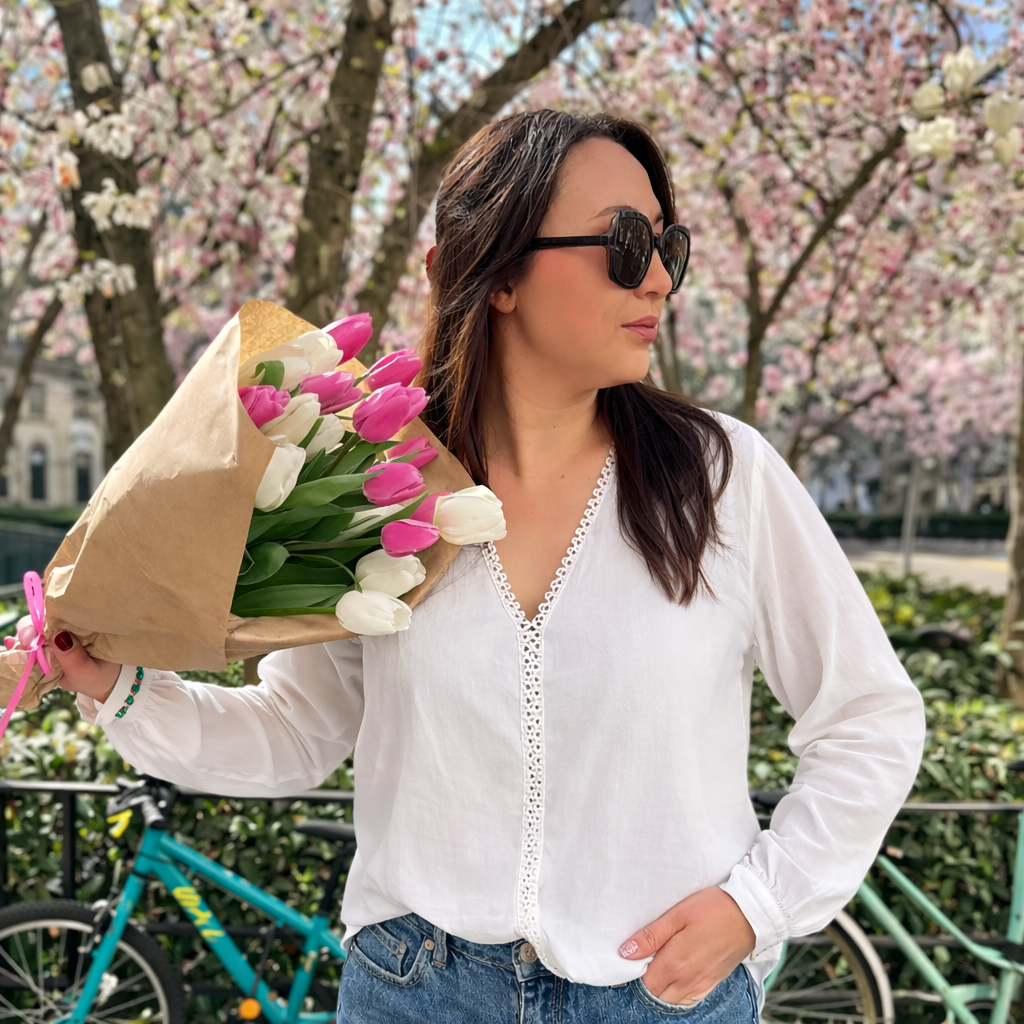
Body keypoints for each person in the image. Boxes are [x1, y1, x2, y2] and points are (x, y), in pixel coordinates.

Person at [33, 110, 925, 1024]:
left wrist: (757, 907)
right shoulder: (372, 490)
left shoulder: (719, 480)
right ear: (495, 273)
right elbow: (300, 728)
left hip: (661, 996)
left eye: (667, 244)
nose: (658, 276)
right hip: (413, 988)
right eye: (623, 243)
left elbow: (869, 717)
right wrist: (119, 687)